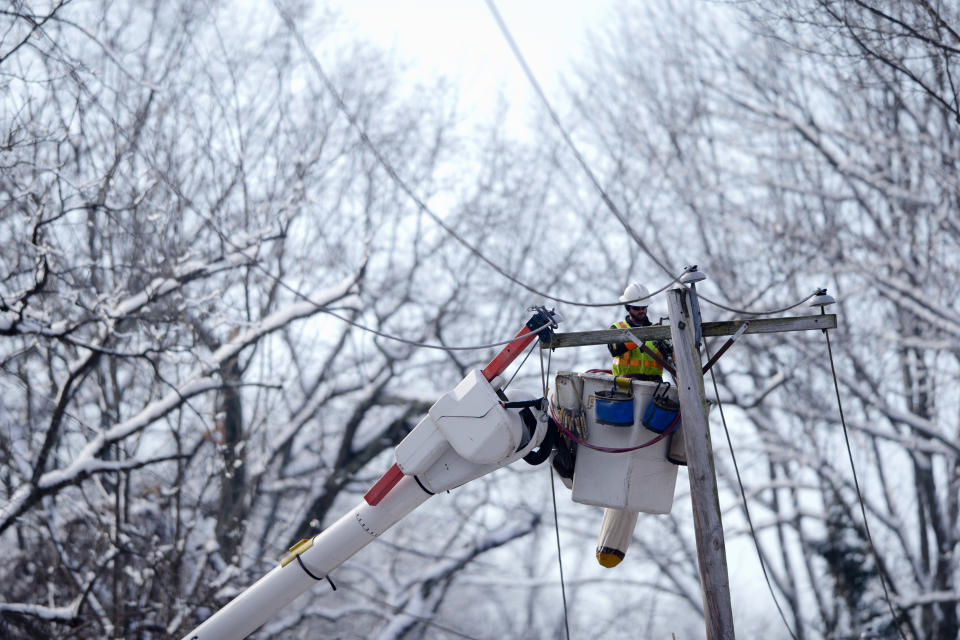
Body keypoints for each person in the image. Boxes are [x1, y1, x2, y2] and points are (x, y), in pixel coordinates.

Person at [608, 282, 671, 381]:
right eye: (636, 308)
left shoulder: (657, 331)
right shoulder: (617, 328)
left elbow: (671, 359)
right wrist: (640, 338)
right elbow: (614, 349)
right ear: (628, 307)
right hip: (624, 385)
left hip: (654, 387)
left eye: (644, 307)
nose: (641, 310)